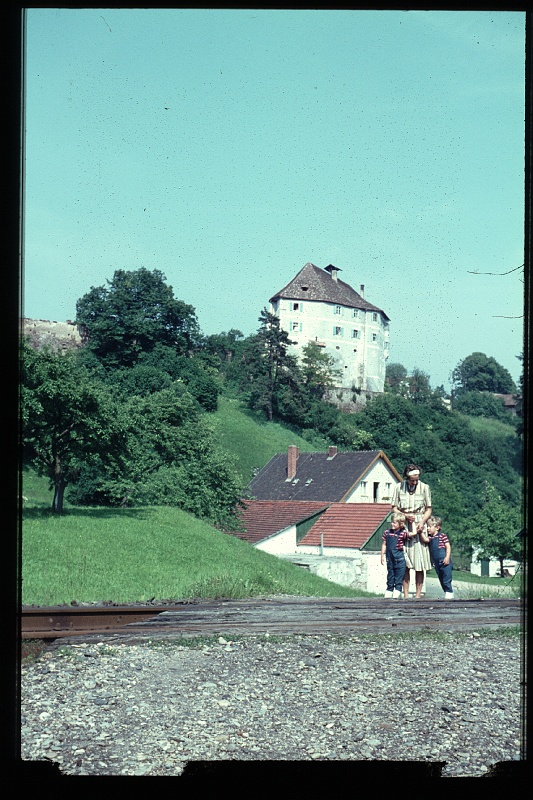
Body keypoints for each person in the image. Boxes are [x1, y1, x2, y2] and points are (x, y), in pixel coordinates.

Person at [391, 463, 432, 599]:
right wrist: (404, 516)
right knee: (405, 562)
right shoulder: (398, 487)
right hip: (405, 524)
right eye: (412, 480)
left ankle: (418, 595)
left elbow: (429, 509)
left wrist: (422, 522)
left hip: (419, 524)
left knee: (420, 562)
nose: (414, 482)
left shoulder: (424, 488)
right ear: (407, 478)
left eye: (416, 479)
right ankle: (406, 594)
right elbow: (394, 508)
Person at [421, 516, 454, 600]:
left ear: (437, 528)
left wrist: (447, 557)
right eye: (427, 526)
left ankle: (449, 594)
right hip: (436, 563)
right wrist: (420, 532)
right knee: (441, 579)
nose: (428, 528)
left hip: (444, 561)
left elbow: (448, 547)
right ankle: (447, 593)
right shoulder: (431, 538)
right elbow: (425, 539)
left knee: (447, 578)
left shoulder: (442, 536)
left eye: (430, 526)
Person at [380, 512, 412, 599]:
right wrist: (382, 555)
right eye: (392, 522)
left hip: (400, 560)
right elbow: (384, 544)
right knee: (390, 576)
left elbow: (413, 533)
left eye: (394, 522)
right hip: (390, 559)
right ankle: (388, 593)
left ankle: (396, 594)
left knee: (398, 578)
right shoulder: (387, 533)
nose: (392, 524)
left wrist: (412, 523)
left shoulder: (403, 533)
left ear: (401, 524)